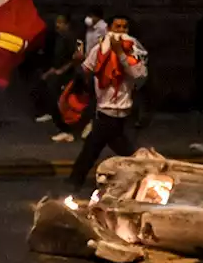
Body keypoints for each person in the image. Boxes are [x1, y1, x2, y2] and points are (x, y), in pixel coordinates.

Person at [68, 15, 149, 189]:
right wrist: (77, 61)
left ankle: (145, 180)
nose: (120, 31)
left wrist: (120, 53)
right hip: (105, 114)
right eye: (117, 27)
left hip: (125, 115)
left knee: (98, 151)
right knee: (94, 151)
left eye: (124, 27)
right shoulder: (98, 50)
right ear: (109, 29)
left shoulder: (134, 53)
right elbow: (86, 70)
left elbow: (138, 74)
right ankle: (73, 185)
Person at [41, 14, 83, 143]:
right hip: (59, 75)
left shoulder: (70, 38)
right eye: (56, 22)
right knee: (55, 101)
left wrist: (62, 70)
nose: (57, 25)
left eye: (60, 22)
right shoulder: (60, 38)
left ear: (67, 24)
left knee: (62, 103)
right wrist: (52, 71)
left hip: (68, 76)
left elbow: (76, 57)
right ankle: (63, 128)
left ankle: (68, 131)